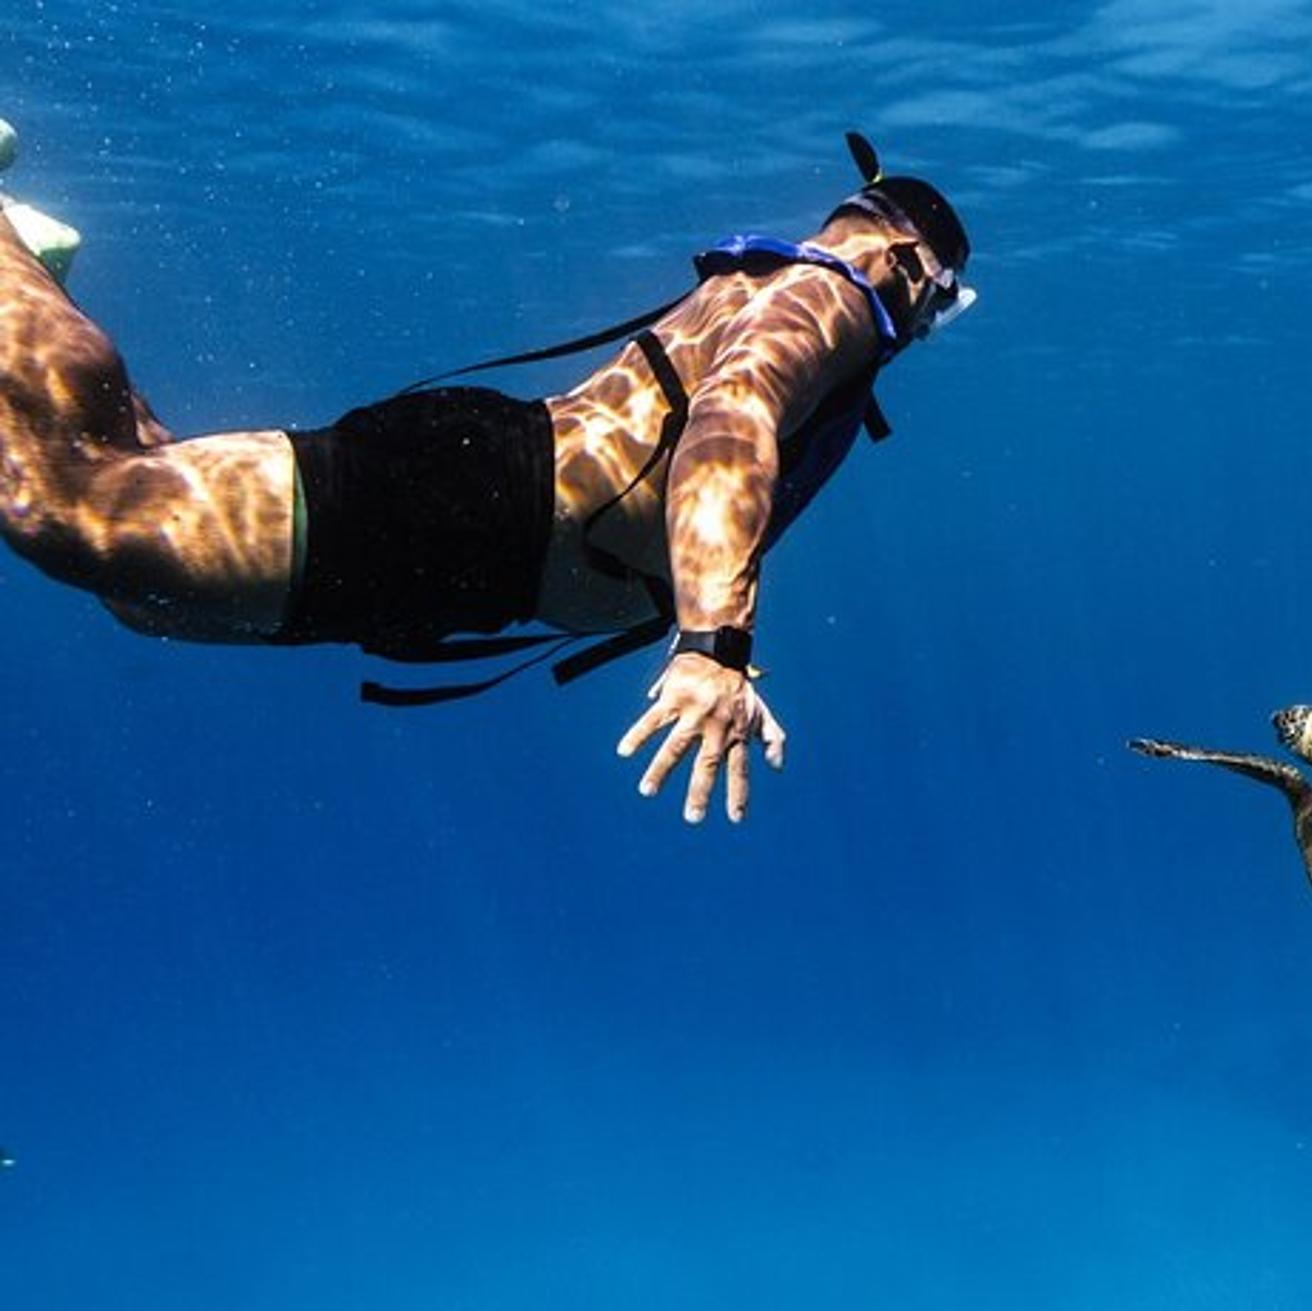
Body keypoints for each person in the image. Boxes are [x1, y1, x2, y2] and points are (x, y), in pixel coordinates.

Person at [0, 129, 973, 826]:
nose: (923, 329)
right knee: (72, 513)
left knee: (142, 591)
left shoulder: (792, 289)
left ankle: (30, 281)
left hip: (482, 556)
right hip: (471, 505)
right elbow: (732, 420)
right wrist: (710, 643)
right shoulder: (832, 298)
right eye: (937, 305)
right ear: (904, 258)